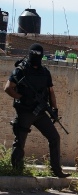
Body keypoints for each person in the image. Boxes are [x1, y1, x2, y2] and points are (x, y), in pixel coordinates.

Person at [4, 43, 70, 178]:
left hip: (40, 112)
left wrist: (54, 109)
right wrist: (21, 97)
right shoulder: (20, 70)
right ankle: (16, 171)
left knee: (54, 137)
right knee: (20, 142)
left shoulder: (45, 72)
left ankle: (57, 170)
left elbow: (51, 91)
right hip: (25, 112)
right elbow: (8, 88)